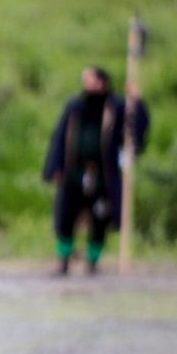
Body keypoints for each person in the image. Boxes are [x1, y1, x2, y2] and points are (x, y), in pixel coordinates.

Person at [42, 66, 150, 275]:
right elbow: (60, 137)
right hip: (74, 174)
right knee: (65, 217)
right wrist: (55, 167)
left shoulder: (116, 107)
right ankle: (64, 260)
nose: (85, 83)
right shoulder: (75, 106)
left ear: (101, 82)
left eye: (89, 79)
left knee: (101, 218)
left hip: (103, 176)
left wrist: (138, 102)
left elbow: (136, 127)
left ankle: (93, 262)